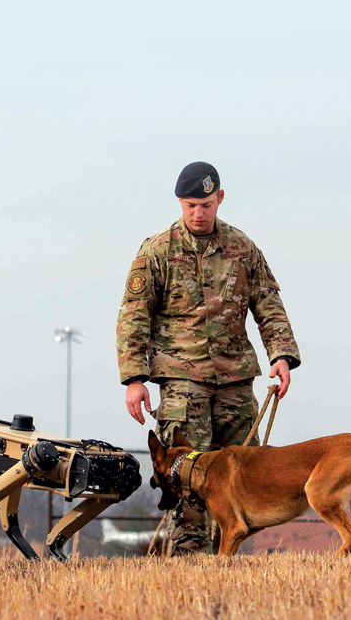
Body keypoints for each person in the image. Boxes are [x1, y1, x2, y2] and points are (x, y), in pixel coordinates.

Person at [116, 161, 301, 554]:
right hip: (183, 385)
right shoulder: (157, 251)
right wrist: (134, 379)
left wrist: (281, 355)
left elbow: (267, 302)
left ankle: (228, 560)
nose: (198, 213)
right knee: (184, 476)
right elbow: (133, 316)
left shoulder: (242, 248)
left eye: (205, 204)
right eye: (189, 206)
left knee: (245, 478)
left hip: (236, 383)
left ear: (219, 199)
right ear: (179, 204)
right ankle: (188, 560)